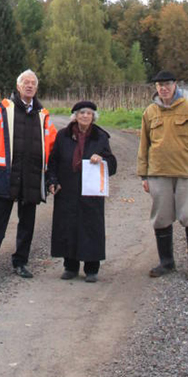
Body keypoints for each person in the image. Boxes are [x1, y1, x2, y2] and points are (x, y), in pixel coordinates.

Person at [0, 70, 56, 281]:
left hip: (32, 175)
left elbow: (52, 145)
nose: (29, 86)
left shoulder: (43, 115)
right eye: (25, 82)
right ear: (18, 87)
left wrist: (51, 174)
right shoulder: (3, 110)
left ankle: (21, 262)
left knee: (27, 223)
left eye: (33, 83)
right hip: (4, 174)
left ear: (36, 88)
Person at [137, 69, 188, 281]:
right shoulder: (150, 113)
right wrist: (143, 175)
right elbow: (144, 145)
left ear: (175, 85)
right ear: (156, 88)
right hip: (158, 173)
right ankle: (166, 262)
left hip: (186, 173)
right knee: (161, 217)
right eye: (160, 85)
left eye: (167, 84)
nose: (164, 88)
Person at [47, 100, 117, 282]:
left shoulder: (100, 137)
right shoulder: (63, 136)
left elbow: (112, 164)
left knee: (91, 227)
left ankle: (92, 268)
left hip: (91, 190)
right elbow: (53, 161)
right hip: (67, 187)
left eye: (89, 113)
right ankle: (70, 266)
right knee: (67, 225)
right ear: (75, 116)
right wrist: (52, 180)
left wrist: (101, 159)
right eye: (82, 113)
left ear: (93, 117)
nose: (85, 116)